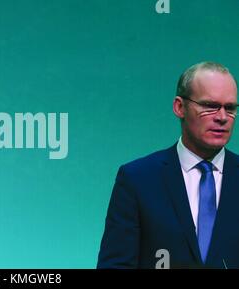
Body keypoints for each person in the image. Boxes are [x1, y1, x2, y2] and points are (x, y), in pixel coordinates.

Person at [97, 61, 239, 269]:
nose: (222, 117)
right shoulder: (137, 180)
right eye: (210, 106)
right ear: (179, 107)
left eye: (230, 108)